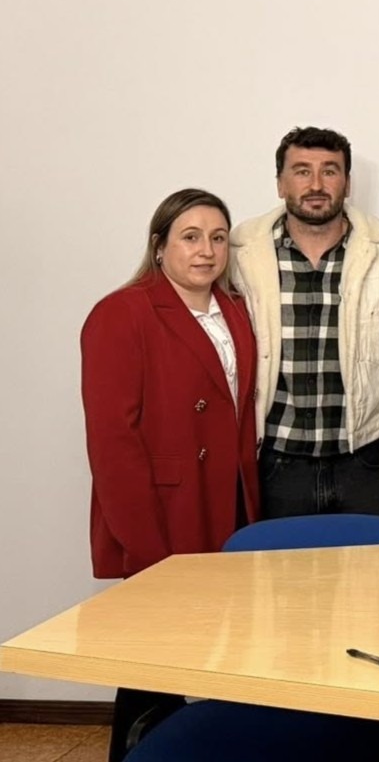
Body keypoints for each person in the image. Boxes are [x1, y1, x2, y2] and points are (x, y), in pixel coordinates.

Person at [81, 189, 259, 761]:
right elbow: (112, 442)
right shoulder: (122, 312)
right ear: (160, 247)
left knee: (215, 649)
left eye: (216, 238)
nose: (206, 250)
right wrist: (146, 543)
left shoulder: (233, 309)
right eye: (190, 236)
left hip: (226, 502)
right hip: (164, 511)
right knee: (150, 661)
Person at [230, 126, 379, 517]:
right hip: (276, 457)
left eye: (330, 171)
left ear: (347, 183)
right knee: (278, 577)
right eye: (302, 171)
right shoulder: (241, 251)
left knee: (367, 576)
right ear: (281, 183)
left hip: (362, 456)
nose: (316, 184)